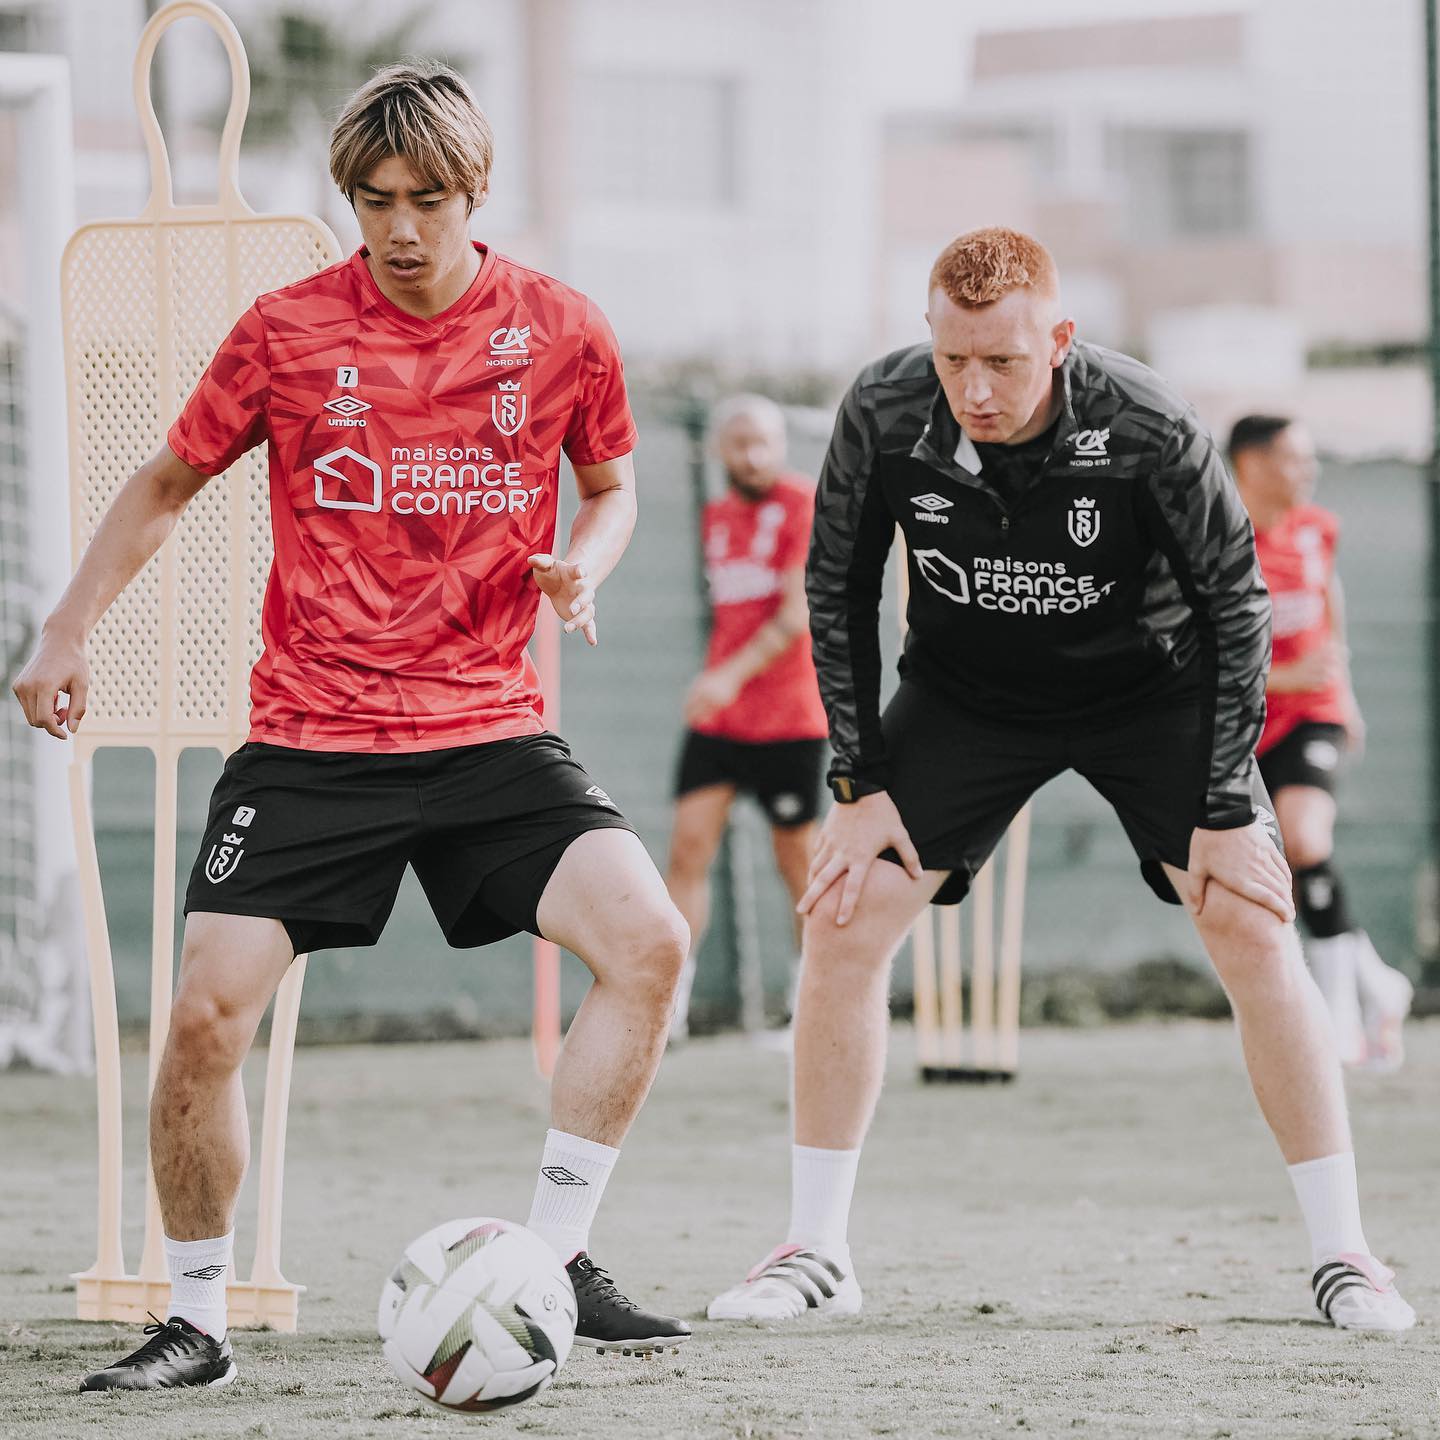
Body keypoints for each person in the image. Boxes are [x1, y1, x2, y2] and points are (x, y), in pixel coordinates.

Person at [14, 62, 692, 1392]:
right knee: (203, 1017)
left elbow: (611, 487)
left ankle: (559, 1257)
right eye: (375, 200)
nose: (399, 227)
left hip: (490, 732)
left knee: (651, 942)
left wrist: (586, 565)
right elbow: (165, 482)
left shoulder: (561, 328)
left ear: (474, 192)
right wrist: (65, 628)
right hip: (314, 740)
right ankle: (197, 1321)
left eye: (426, 199)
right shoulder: (286, 332)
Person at [705, 227, 1415, 1333]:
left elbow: (1237, 605)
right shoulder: (883, 410)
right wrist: (860, 780)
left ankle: (1346, 1254)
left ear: (1061, 340)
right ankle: (817, 1249)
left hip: (1151, 691)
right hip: (968, 698)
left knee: (1251, 920)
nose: (976, 390)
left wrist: (1227, 806)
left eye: (1004, 361)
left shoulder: (1148, 424)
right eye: (954, 360)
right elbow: (837, 584)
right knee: (843, 915)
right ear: (928, 339)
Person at [1230, 415, 1413, 1070]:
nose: (1309, 471)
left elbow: (1328, 594)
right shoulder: (1219, 541)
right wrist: (1282, 675)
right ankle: (1378, 985)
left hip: (1315, 713)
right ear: (1252, 465)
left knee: (1306, 841)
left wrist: (1344, 687)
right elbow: (1198, 651)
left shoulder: (1316, 527)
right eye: (1295, 459)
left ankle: (1337, 1019)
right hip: (1248, 723)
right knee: (1281, 866)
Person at [665, 395, 829, 1040]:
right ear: (719, 451)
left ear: (781, 445)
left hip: (789, 717)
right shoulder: (715, 517)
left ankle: (809, 1007)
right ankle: (669, 1005)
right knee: (687, 849)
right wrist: (722, 682)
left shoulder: (803, 504)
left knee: (798, 863)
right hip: (720, 720)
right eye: (741, 443)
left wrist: (728, 676)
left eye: (764, 442)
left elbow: (795, 616)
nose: (754, 455)